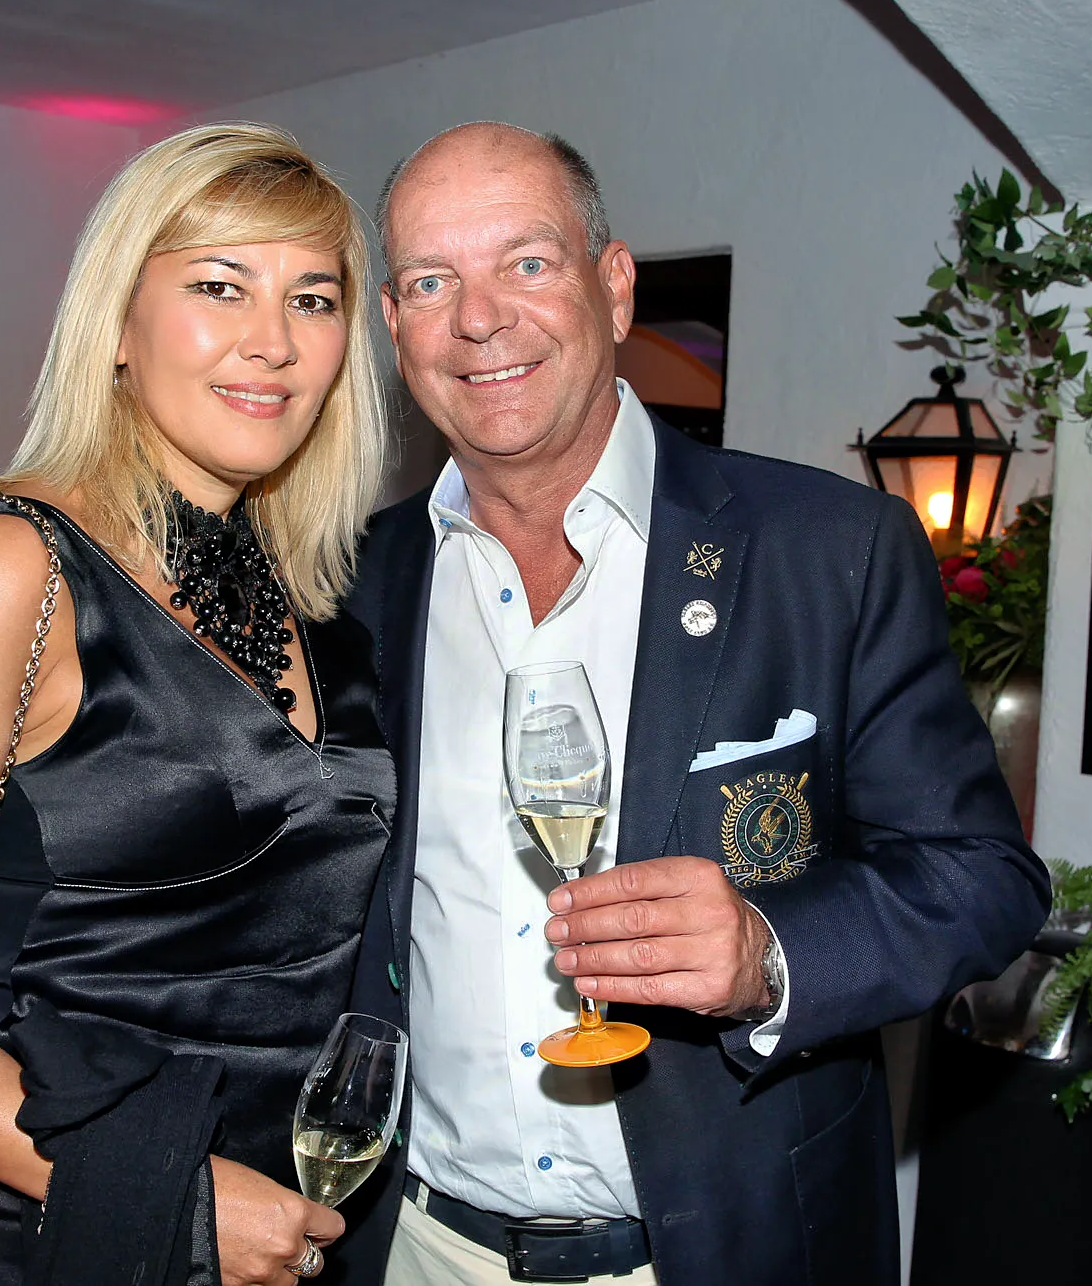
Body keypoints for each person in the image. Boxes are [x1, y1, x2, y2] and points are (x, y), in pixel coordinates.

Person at [334, 123, 1050, 1285]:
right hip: (416, 1245)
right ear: (392, 324)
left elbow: (981, 878)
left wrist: (770, 953)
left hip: (723, 1250)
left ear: (613, 287)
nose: (478, 318)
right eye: (429, 281)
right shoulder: (349, 585)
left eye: (526, 262)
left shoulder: (828, 551)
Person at [0, 123, 394, 1286]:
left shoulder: (311, 600)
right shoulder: (12, 573)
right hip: (31, 1227)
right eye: (219, 287)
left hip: (269, 1218)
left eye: (312, 299)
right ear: (117, 326)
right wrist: (159, 1189)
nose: (273, 341)